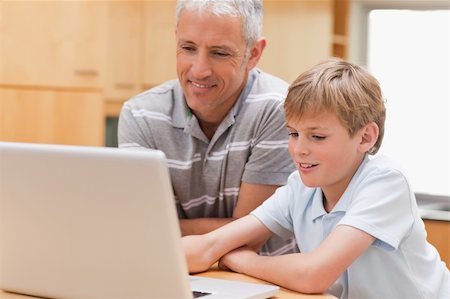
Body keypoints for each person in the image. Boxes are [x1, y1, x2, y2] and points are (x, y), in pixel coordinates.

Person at [182, 58, 450, 299]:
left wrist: (240, 259)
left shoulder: (385, 182)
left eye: (317, 136)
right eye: (293, 133)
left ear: (366, 137)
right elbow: (209, 246)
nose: (299, 150)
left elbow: (313, 274)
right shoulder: (299, 188)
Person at [118, 0, 297, 255]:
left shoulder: (278, 109)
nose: (199, 70)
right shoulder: (141, 114)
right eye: (188, 48)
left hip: (263, 280)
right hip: (177, 272)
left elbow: (251, 237)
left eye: (220, 53)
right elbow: (141, 227)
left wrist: (165, 229)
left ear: (253, 54)